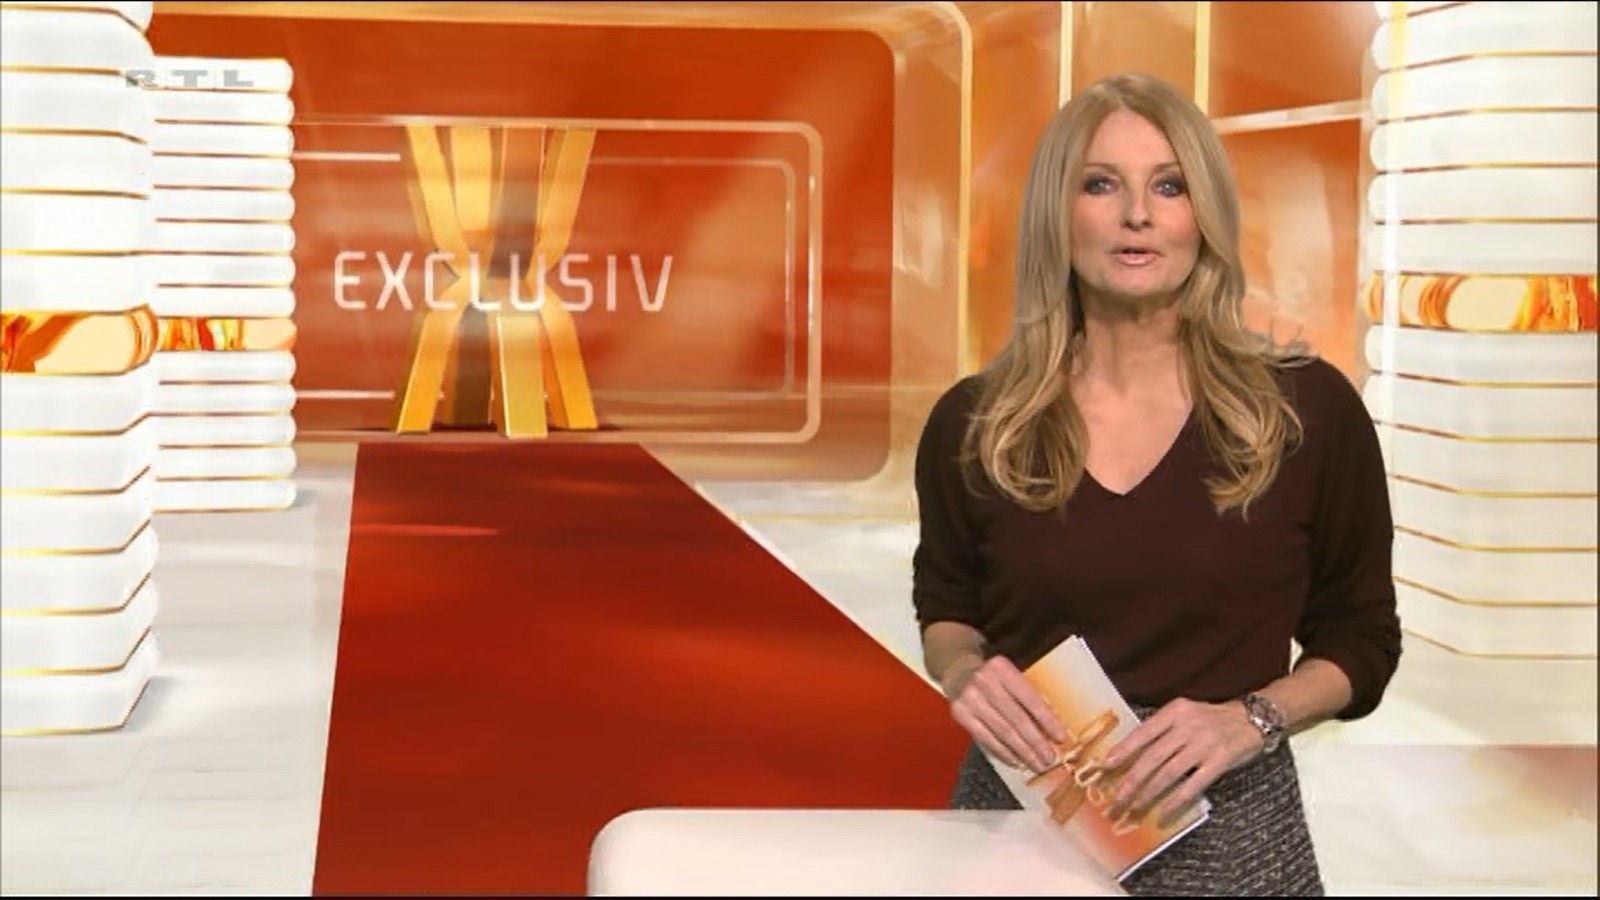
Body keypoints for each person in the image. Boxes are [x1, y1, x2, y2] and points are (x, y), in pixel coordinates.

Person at [910, 72, 1403, 897]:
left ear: (1204, 214)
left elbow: (1362, 640)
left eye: (1169, 186)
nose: (1138, 213)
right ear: (1057, 213)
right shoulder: (977, 421)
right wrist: (964, 672)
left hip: (1236, 835)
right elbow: (947, 609)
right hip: (1023, 830)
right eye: (1101, 184)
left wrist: (1251, 720)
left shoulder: (1305, 411)